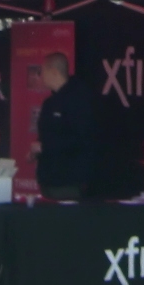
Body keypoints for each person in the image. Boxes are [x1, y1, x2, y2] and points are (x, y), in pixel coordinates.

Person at [34, 52, 94, 199]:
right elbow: (47, 134)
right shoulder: (49, 103)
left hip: (68, 181)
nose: (40, 76)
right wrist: (37, 149)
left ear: (54, 72)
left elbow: (81, 138)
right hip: (48, 180)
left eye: (41, 71)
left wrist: (45, 147)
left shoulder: (79, 98)